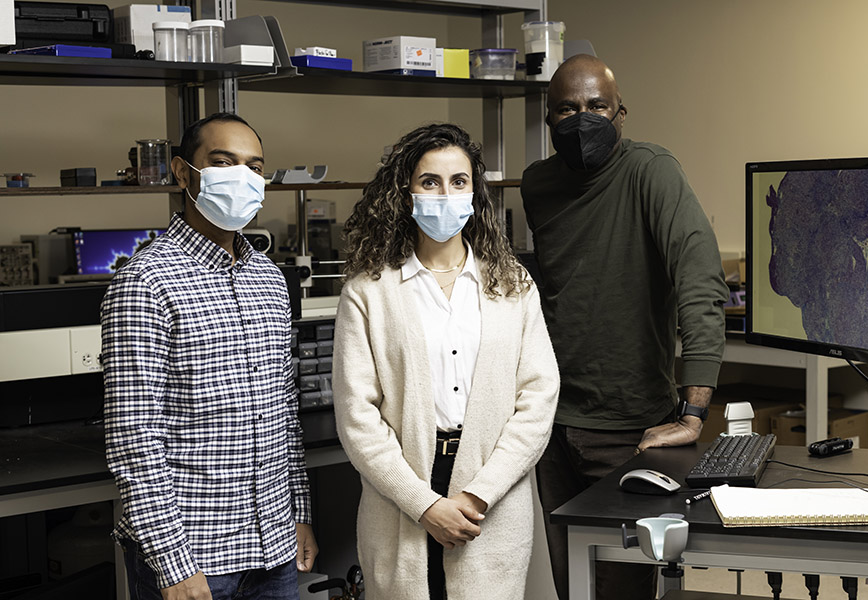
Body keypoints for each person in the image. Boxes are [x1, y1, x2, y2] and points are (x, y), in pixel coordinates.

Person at [521, 55, 729, 600]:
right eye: (566, 108)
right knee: (572, 583)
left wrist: (694, 410)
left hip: (630, 430)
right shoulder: (538, 185)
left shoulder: (651, 171)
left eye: (596, 106)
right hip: (550, 426)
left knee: (621, 589)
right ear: (548, 119)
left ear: (621, 114)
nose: (581, 118)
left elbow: (700, 277)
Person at [332, 123, 559, 600]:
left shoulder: (512, 284)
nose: (444, 193)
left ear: (474, 193)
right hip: (402, 492)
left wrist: (477, 494)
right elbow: (357, 417)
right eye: (429, 181)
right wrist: (424, 504)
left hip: (490, 493)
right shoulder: (368, 291)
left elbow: (538, 398)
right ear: (406, 192)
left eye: (458, 181)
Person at [101, 112, 318, 600]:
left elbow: (285, 413)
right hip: (194, 555)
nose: (243, 178)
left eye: (255, 167)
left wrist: (299, 514)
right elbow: (133, 437)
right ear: (183, 174)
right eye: (224, 162)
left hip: (273, 546)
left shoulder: (267, 277)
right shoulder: (146, 281)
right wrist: (173, 563)